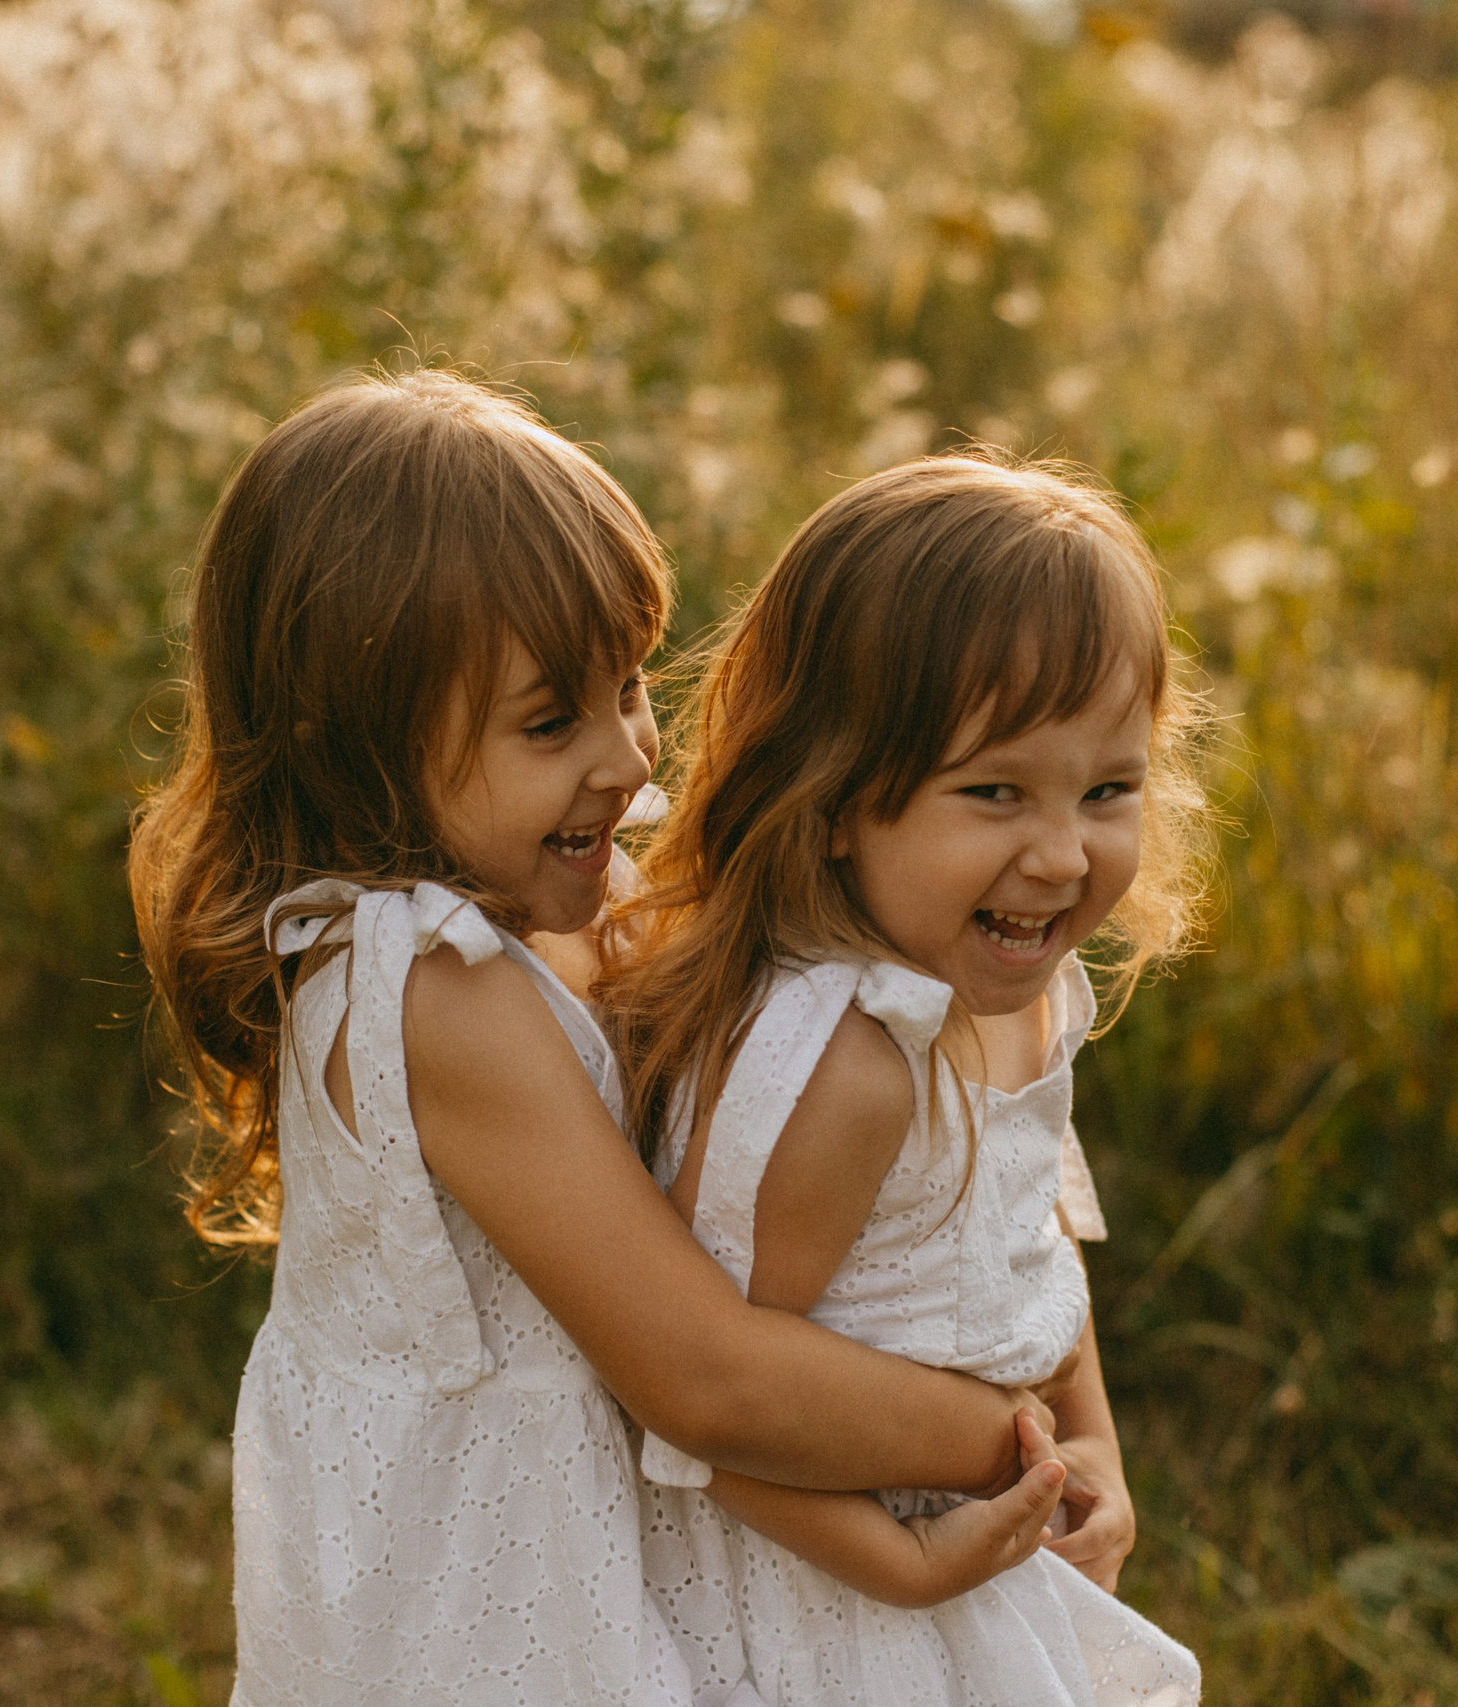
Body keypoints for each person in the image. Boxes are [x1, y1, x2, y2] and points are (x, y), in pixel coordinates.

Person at [127, 373, 1072, 1707]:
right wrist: (1018, 1441)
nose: (629, 753)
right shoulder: (419, 984)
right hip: (486, 1591)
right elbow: (703, 1373)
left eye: (630, 684)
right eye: (549, 719)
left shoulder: (568, 892)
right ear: (351, 739)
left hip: (606, 1541)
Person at [600, 454, 1212, 1707]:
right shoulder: (844, 1066)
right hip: (823, 1597)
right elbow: (699, 1413)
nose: (1058, 854)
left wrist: (1090, 1436)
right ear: (833, 798)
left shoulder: (1017, 985)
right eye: (994, 793)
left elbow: (1030, 1224)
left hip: (972, 1540)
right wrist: (893, 1564)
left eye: (1108, 790)